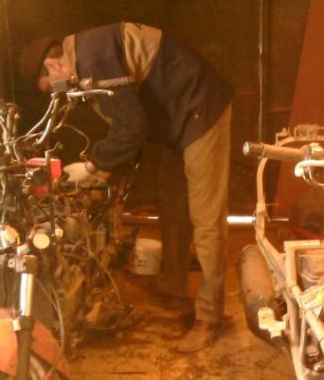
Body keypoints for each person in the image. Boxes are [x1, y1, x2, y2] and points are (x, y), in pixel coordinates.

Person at [19, 22, 233, 353]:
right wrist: (104, 168)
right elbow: (129, 115)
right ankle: (175, 290)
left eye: (51, 88)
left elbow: (132, 126)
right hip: (176, 115)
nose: (57, 94)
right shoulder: (83, 53)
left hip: (200, 110)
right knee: (171, 202)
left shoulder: (94, 60)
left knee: (206, 217)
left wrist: (92, 166)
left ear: (52, 64)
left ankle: (209, 318)